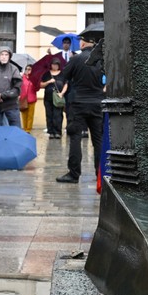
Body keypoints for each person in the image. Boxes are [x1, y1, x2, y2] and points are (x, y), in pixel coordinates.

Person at [56, 31, 105, 183]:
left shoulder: (76, 59)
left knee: (75, 139)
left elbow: (62, 78)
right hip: (98, 104)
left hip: (78, 104)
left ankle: (74, 174)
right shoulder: (103, 60)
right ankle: (100, 174)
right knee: (98, 141)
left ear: (82, 43)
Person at [41, 58, 64, 138]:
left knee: (57, 115)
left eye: (57, 64)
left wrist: (62, 93)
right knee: (49, 114)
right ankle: (50, 132)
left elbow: (66, 84)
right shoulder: (46, 74)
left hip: (58, 98)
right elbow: (41, 85)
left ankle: (57, 132)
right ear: (51, 65)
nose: (55, 66)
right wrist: (48, 82)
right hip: (48, 98)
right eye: (54, 64)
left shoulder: (62, 73)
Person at [19, 63, 38, 131]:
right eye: (26, 69)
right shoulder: (21, 77)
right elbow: (18, 86)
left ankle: (28, 129)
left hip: (31, 99)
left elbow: (37, 88)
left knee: (30, 116)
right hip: (23, 99)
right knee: (24, 115)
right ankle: (24, 128)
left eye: (29, 69)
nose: (27, 70)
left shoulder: (34, 78)